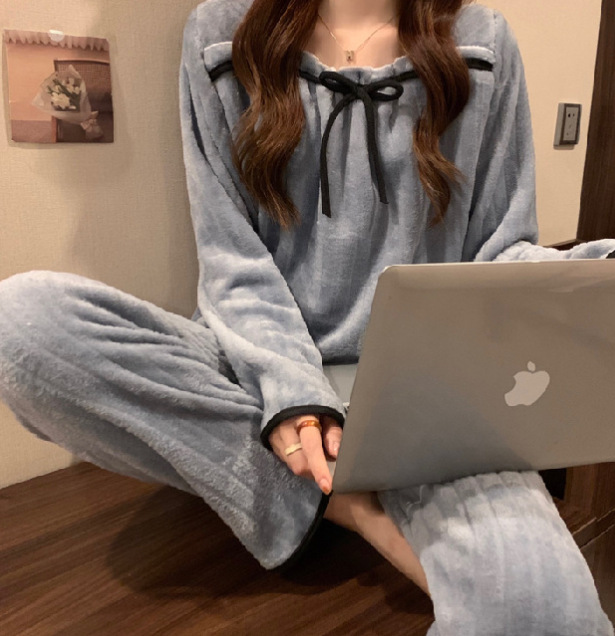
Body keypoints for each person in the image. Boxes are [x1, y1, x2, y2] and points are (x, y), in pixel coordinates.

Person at [0, 0, 614, 633]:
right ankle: (343, 503)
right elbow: (233, 261)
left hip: (427, 391)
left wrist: (595, 268)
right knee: (23, 325)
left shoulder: (482, 39)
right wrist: (292, 392)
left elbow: (498, 252)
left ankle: (321, 493)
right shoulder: (221, 33)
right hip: (255, 371)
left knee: (548, 611)